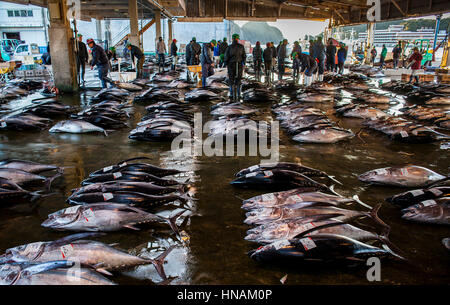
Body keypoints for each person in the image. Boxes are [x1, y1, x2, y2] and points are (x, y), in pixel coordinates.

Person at [224, 33, 246, 100]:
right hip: (239, 65)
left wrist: (226, 63)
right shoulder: (241, 47)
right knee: (238, 80)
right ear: (237, 39)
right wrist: (243, 63)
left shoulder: (229, 47)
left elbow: (226, 57)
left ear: (232, 39)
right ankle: (238, 95)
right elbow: (244, 56)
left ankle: (231, 94)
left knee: (231, 80)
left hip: (231, 65)